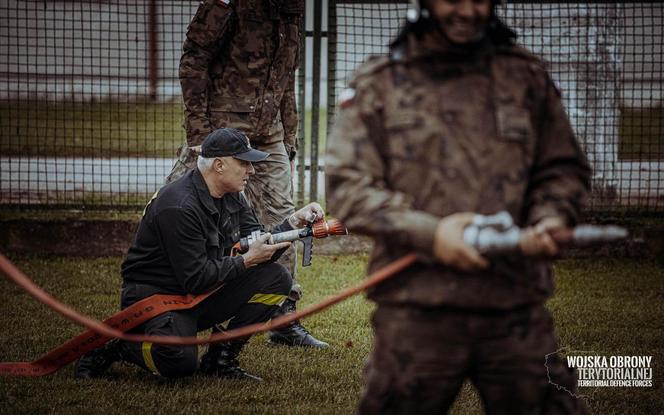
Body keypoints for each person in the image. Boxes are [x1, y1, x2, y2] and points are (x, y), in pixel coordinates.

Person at [325, 0, 591, 413]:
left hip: (513, 306)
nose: (466, 11)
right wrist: (432, 235)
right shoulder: (382, 82)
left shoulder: (524, 77)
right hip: (417, 310)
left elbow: (563, 169)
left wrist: (551, 217)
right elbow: (347, 187)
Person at [74, 128, 325, 380]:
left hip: (200, 291)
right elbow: (195, 278)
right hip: (157, 300)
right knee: (178, 365)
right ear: (219, 165)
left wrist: (293, 224)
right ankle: (117, 345)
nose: (252, 170)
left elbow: (256, 244)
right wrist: (246, 260)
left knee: (276, 278)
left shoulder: (233, 196)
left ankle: (220, 360)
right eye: (244, 163)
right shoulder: (179, 206)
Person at [168, 0, 327, 348]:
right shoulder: (230, 3)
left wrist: (288, 135)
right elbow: (194, 60)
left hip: (268, 132)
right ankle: (157, 300)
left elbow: (285, 79)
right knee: (175, 208)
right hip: (221, 130)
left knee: (283, 219)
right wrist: (199, 135)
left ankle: (283, 318)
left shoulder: (291, 10)